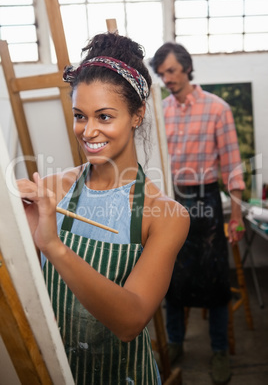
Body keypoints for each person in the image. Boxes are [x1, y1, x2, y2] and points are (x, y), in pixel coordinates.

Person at [17, 33, 190, 385]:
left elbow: (130, 321)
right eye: (80, 116)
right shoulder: (50, 190)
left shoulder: (165, 215)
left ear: (137, 115)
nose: (88, 130)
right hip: (57, 370)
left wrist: (53, 246)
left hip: (125, 375)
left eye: (105, 116)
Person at [150, 42, 245, 384]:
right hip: (172, 202)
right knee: (170, 278)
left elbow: (233, 167)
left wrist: (235, 215)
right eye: (161, 74)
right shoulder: (160, 112)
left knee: (217, 279)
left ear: (187, 68)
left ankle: (219, 350)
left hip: (206, 202)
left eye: (172, 71)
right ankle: (175, 344)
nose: (167, 79)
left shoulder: (217, 109)